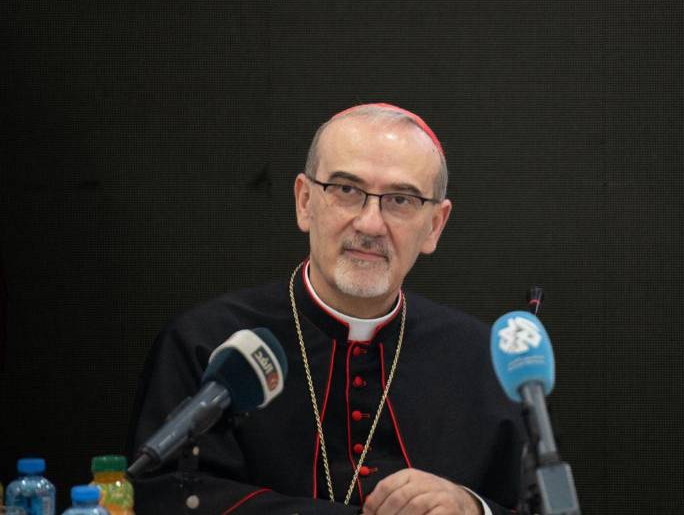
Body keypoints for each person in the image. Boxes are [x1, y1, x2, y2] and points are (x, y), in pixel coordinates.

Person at [128, 103, 524, 514]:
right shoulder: (205, 342)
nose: (370, 224)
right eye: (347, 191)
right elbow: (163, 494)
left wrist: (473, 508)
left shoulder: (485, 359)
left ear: (434, 226)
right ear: (304, 201)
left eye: (401, 200)